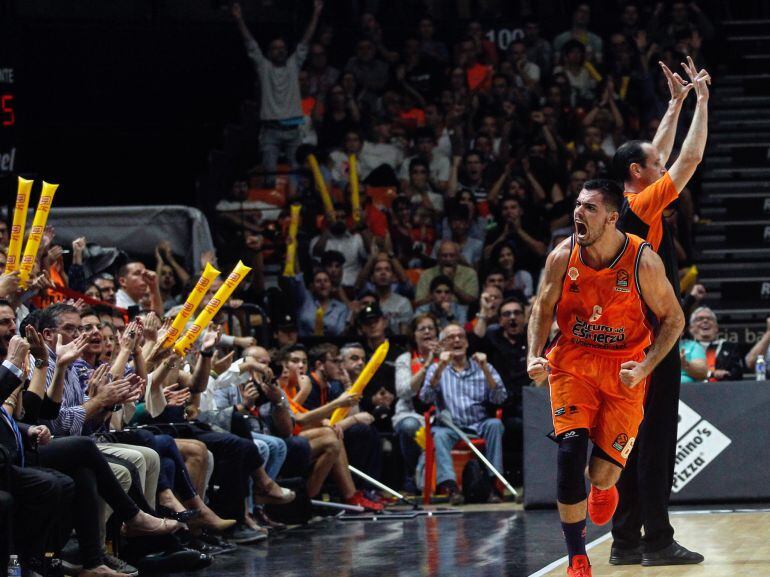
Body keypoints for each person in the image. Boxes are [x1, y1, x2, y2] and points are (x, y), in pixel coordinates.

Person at [527, 179, 685, 577]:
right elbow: (542, 306)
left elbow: (674, 319)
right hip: (573, 361)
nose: (578, 213)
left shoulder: (642, 261)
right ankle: (576, 557)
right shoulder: (563, 256)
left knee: (603, 473)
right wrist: (534, 354)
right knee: (569, 451)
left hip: (625, 369)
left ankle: (603, 486)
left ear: (613, 218)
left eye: (590, 208)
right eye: (578, 205)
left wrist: (647, 365)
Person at [610, 57, 710, 566]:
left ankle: (625, 542)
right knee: (655, 441)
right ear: (639, 173)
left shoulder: (616, 205)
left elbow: (661, 151)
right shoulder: (640, 207)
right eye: (654, 163)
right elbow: (687, 161)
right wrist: (704, 104)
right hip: (653, 337)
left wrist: (674, 103)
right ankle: (656, 539)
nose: (662, 163)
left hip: (619, 339)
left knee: (627, 440)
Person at [231, 0, 324, 187]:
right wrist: (239, 20)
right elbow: (250, 44)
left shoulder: (293, 65)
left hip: (293, 131)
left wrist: (316, 14)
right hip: (270, 131)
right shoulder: (263, 67)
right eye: (275, 48)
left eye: (282, 48)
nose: (280, 51)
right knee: (269, 178)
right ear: (269, 52)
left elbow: (305, 41)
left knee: (298, 177)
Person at [420, 323, 506, 505]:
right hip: (451, 427)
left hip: (479, 424)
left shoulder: (483, 366)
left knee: (495, 424)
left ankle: (493, 484)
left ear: (467, 343)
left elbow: (500, 398)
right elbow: (426, 398)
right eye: (451, 337)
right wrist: (440, 367)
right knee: (439, 434)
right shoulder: (436, 369)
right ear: (442, 345)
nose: (457, 340)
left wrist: (485, 370)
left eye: (461, 336)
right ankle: (452, 489)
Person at [394, 313, 438, 493]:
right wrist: (426, 366)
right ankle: (413, 473)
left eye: (431, 328)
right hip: (412, 413)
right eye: (422, 329)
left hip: (439, 412)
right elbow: (403, 391)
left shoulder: (445, 357)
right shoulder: (404, 359)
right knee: (409, 426)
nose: (427, 332)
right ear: (414, 335)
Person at [682, 307, 744, 381]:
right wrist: (711, 374)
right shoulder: (684, 347)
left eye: (710, 319)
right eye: (699, 319)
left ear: (716, 327)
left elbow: (737, 373)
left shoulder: (730, 347)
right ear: (690, 328)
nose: (705, 321)